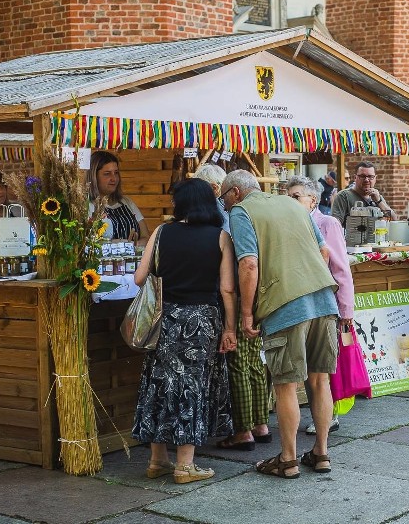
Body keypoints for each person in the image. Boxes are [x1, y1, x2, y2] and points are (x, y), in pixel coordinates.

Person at [221, 170, 339, 479]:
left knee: (286, 384)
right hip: (324, 299)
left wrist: (246, 315)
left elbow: (248, 263)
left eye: (223, 198)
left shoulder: (241, 211)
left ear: (235, 192)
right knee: (319, 380)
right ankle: (321, 453)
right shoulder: (291, 204)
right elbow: (323, 250)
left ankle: (288, 460)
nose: (223, 205)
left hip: (285, 304)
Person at [131, 178, 237, 484]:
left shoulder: (163, 232)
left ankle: (157, 460)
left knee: (160, 384)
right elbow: (227, 289)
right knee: (192, 387)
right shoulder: (220, 237)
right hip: (202, 321)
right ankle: (185, 465)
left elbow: (140, 278)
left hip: (165, 318)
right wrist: (230, 328)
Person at [193, 164, 272, 451]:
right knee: (253, 361)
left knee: (238, 362)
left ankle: (243, 431)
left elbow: (239, 259)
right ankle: (260, 424)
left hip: (239, 293)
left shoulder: (228, 214)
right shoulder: (260, 209)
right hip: (259, 290)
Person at [286, 176, 355, 435]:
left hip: (326, 305)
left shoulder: (327, 224)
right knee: (311, 371)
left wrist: (346, 310)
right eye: (288, 196)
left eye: (295, 196)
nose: (290, 201)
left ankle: (330, 417)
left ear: (313, 200)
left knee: (324, 370)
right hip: (300, 304)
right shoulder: (290, 223)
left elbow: (340, 269)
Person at [89, 151, 149, 242]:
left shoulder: (126, 202)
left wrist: (134, 246)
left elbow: (146, 236)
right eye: (107, 174)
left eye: (116, 173)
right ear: (94, 176)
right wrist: (118, 244)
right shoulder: (87, 206)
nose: (114, 178)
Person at [331, 161, 396, 225]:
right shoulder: (344, 196)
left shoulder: (377, 197)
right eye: (362, 176)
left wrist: (379, 201)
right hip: (352, 235)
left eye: (370, 176)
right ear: (355, 178)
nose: (366, 180)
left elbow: (393, 220)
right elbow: (335, 224)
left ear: (375, 178)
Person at [192, 164, 230, 232]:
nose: (196, 192)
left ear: (214, 188)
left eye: (199, 188)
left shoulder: (217, 207)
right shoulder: (229, 202)